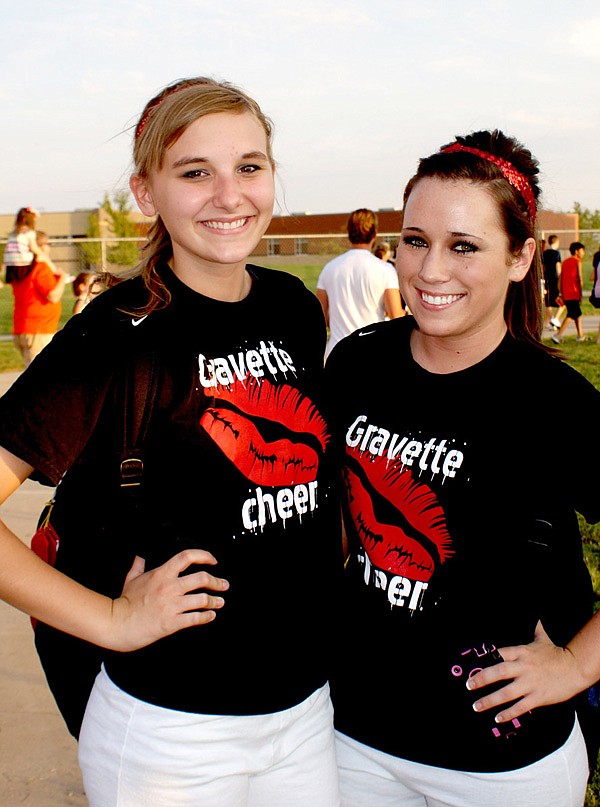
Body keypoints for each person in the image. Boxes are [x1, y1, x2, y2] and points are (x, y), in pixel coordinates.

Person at [0, 77, 340, 807]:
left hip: (306, 712)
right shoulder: (114, 336)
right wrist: (113, 620)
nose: (230, 194)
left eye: (250, 166)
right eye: (195, 172)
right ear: (147, 193)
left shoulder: (291, 306)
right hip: (171, 733)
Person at [324, 129, 600, 807]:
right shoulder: (358, 363)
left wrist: (575, 663)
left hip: (504, 764)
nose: (429, 270)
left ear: (520, 256)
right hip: (352, 738)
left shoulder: (554, 402)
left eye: (464, 245)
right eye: (415, 240)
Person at [316, 208, 404, 358]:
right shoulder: (385, 269)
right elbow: (396, 319)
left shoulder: (330, 268)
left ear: (349, 233)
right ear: (374, 234)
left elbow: (319, 318)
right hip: (372, 354)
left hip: (337, 356)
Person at [11, 231, 68, 367]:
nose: (48, 247)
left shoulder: (21, 269)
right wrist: (62, 279)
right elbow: (52, 296)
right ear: (39, 246)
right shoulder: (40, 268)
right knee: (41, 379)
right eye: (46, 244)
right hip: (39, 330)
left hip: (22, 327)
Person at [551, 241, 588, 343]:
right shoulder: (577, 262)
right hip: (574, 293)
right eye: (582, 251)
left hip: (566, 294)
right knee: (572, 314)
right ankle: (557, 335)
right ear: (577, 251)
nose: (583, 253)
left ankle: (580, 335)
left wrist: (561, 293)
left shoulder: (565, 262)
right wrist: (580, 294)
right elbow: (579, 279)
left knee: (576, 314)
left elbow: (560, 279)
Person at [3, 206, 42, 284]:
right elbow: (33, 248)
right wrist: (42, 252)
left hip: (10, 264)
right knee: (43, 257)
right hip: (23, 263)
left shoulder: (14, 232)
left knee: (16, 286)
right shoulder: (29, 232)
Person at [541, 234, 565, 329]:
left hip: (546, 279)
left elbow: (542, 267)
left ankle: (552, 320)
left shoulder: (544, 253)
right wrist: (560, 278)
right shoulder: (556, 253)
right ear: (556, 242)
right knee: (561, 301)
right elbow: (557, 266)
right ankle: (555, 318)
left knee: (548, 301)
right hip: (555, 279)